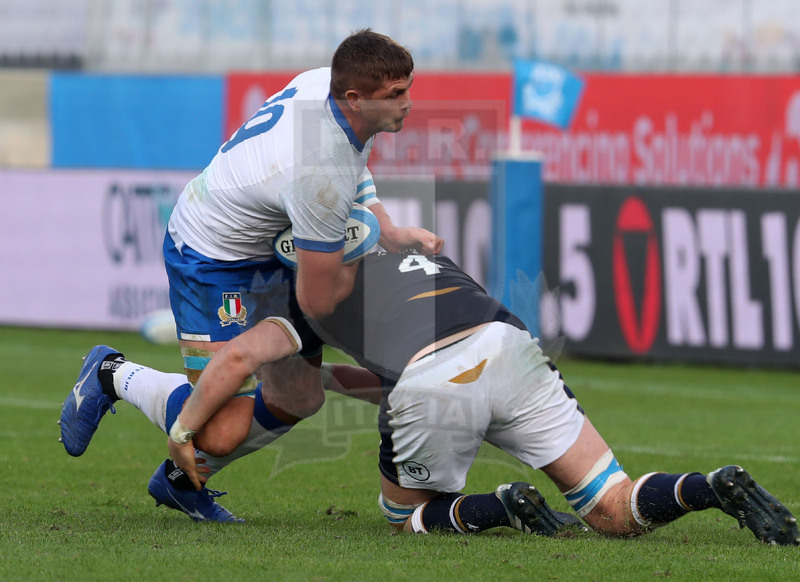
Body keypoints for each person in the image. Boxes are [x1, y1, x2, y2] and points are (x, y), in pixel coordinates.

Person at [66, 252, 799, 545]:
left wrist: (185, 426)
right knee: (611, 508)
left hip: (430, 382)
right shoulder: (410, 254)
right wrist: (330, 384)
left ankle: (499, 504)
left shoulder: (305, 287)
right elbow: (411, 356)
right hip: (509, 348)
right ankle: (710, 486)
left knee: (406, 520)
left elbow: (236, 357)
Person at [59, 28, 442, 522]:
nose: (409, 103)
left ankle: (179, 483)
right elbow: (320, 301)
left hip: (264, 237)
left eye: (408, 87)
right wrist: (371, 351)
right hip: (210, 255)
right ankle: (112, 373)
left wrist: (385, 229)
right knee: (221, 432)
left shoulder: (327, 87)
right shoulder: (317, 176)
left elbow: (353, 162)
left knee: (300, 396)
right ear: (355, 97)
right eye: (396, 95)